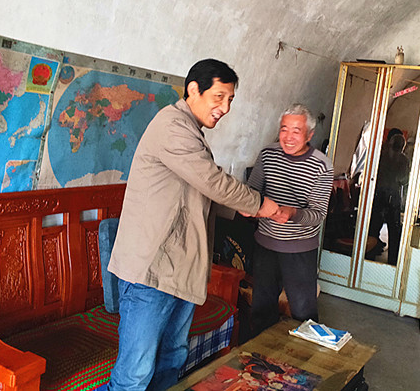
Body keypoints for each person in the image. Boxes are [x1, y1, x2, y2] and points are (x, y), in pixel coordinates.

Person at [105, 59, 279, 391]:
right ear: (193, 90)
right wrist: (260, 205)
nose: (225, 108)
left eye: (230, 100)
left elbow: (198, 193)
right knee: (134, 374)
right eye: (219, 97)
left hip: (179, 271)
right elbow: (212, 181)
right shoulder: (172, 126)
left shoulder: (191, 131)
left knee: (171, 361)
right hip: (151, 273)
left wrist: (241, 209)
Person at [248, 103, 333, 336]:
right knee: (261, 310)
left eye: (296, 131)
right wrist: (249, 207)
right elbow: (252, 193)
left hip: (299, 250)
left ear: (310, 135)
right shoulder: (267, 155)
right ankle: (260, 356)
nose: (288, 137)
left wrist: (293, 213)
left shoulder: (322, 165)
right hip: (265, 245)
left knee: (304, 314)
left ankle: (304, 358)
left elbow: (318, 214)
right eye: (284, 129)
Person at [366, 129, 410, 265]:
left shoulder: (381, 156)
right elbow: (404, 180)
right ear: (402, 146)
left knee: (373, 228)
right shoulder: (404, 160)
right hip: (394, 198)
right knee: (394, 231)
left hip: (378, 195)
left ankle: (368, 257)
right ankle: (392, 261)